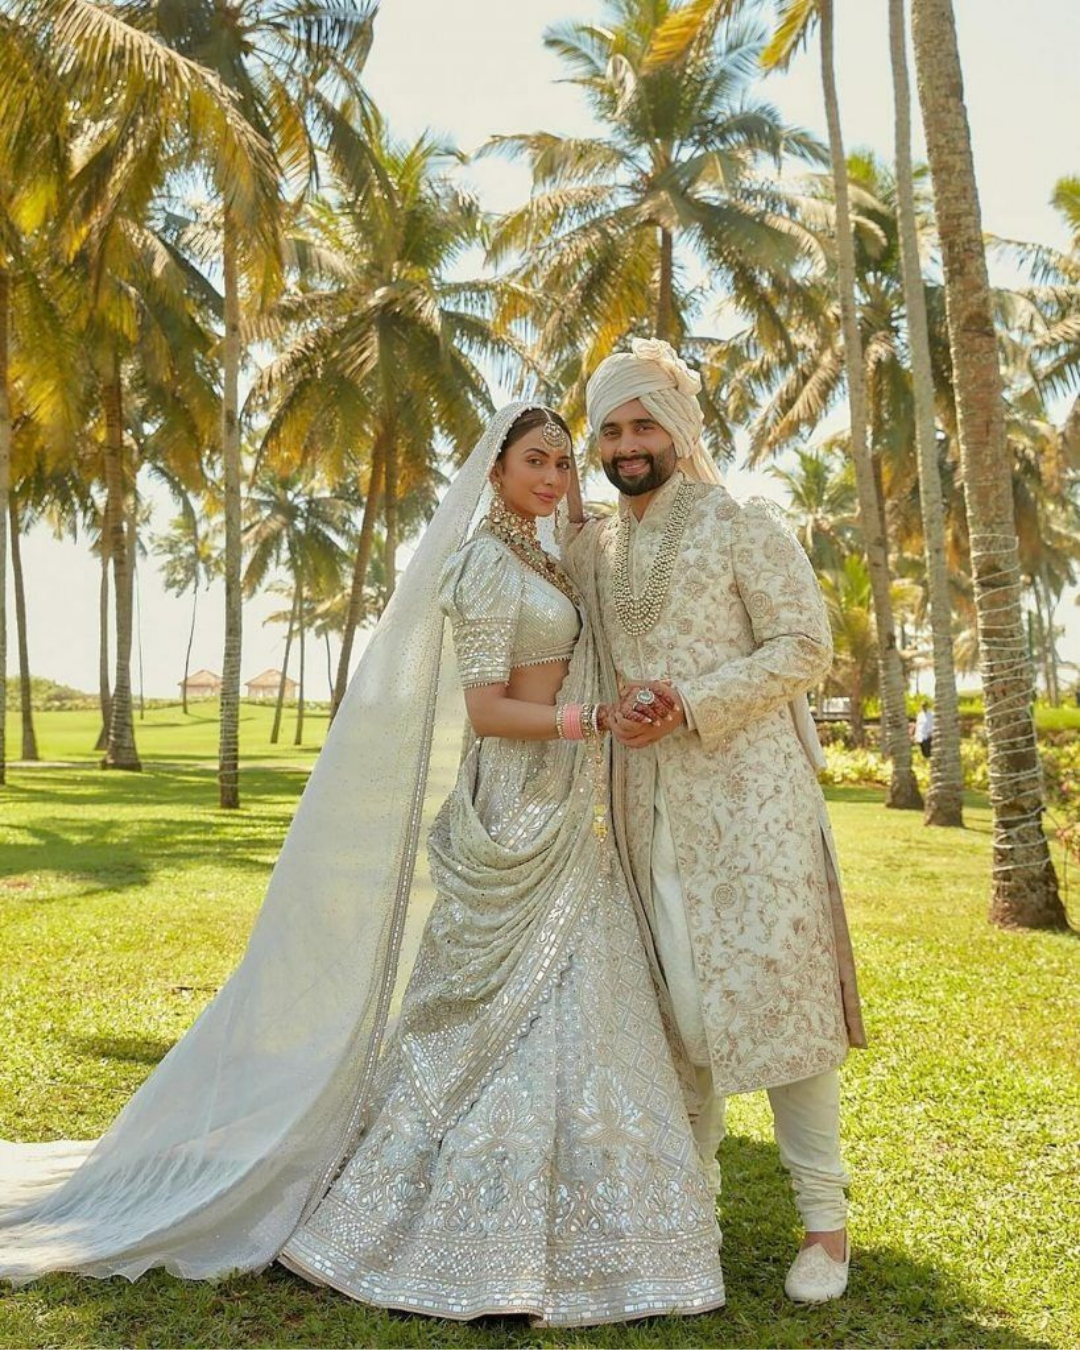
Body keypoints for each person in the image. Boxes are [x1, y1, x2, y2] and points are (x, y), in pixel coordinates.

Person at [0, 404, 726, 1329]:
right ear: (496, 470)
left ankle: (610, 1230)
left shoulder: (546, 558)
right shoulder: (484, 565)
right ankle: (447, 1228)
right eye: (535, 462)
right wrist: (594, 722)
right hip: (514, 804)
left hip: (564, 805)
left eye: (562, 463)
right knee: (487, 1014)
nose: (552, 478)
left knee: (584, 1003)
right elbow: (487, 710)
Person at [560, 338, 867, 1306]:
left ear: (680, 428)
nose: (627, 445)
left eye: (644, 424)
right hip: (640, 806)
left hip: (752, 806)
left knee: (784, 1004)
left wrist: (692, 701)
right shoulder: (594, 548)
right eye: (610, 429)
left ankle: (825, 1225)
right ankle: (691, 1215)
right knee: (671, 1009)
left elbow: (804, 645)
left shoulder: (744, 523)